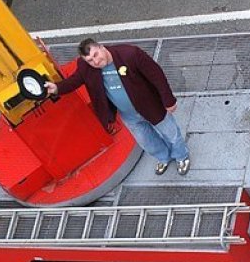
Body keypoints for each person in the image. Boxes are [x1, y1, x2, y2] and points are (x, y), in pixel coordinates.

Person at [44, 38, 190, 175]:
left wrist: (168, 100)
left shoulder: (130, 54)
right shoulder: (85, 67)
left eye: (96, 54)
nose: (96, 61)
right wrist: (56, 88)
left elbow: (156, 75)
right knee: (147, 142)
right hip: (129, 115)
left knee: (171, 134)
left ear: (102, 47)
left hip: (151, 106)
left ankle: (181, 156)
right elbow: (74, 81)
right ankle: (163, 157)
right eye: (90, 60)